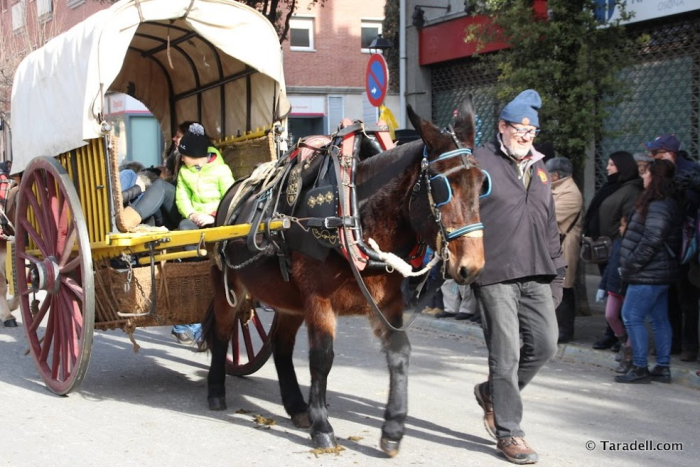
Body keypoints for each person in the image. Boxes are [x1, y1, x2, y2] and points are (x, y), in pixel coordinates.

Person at [472, 89, 565, 464]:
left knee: (546, 345)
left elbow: (550, 228)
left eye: (531, 132)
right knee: (505, 354)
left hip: (538, 274)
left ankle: (491, 393)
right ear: (502, 127)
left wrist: (558, 276)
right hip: (494, 273)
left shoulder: (541, 170)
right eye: (518, 130)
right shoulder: (479, 160)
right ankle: (511, 434)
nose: (524, 138)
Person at [615, 159, 682, 384]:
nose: (642, 177)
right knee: (658, 319)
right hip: (656, 272)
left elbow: (652, 239)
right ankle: (662, 367)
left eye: (646, 174)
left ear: (655, 178)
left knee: (631, 316)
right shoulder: (662, 202)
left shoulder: (659, 205)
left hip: (649, 273)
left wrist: (631, 264)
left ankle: (640, 366)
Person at [646, 134, 700, 363]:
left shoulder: (692, 172)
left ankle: (689, 344)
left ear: (670, 153)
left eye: (655, 153)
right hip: (671, 244)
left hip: (689, 245)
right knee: (671, 297)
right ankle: (676, 342)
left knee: (688, 298)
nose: (652, 157)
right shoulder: (661, 171)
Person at [583, 151, 642, 351]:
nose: (607, 167)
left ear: (623, 166)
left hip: (617, 251)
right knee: (610, 295)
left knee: (618, 295)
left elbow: (627, 221)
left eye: (611, 164)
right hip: (603, 249)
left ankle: (621, 337)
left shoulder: (630, 189)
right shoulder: (612, 186)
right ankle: (613, 334)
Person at [545, 157, 583, 343]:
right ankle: (553, 328)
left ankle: (565, 330)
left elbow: (547, 216)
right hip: (553, 247)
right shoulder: (556, 189)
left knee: (564, 289)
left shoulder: (570, 193)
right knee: (554, 288)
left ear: (556, 175)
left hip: (564, 248)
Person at [175, 122, 234, 230]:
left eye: (183, 156)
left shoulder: (221, 170)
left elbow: (231, 199)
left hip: (217, 219)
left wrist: (213, 217)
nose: (182, 159)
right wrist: (191, 214)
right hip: (195, 219)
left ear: (194, 155)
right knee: (184, 226)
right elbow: (182, 197)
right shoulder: (184, 171)